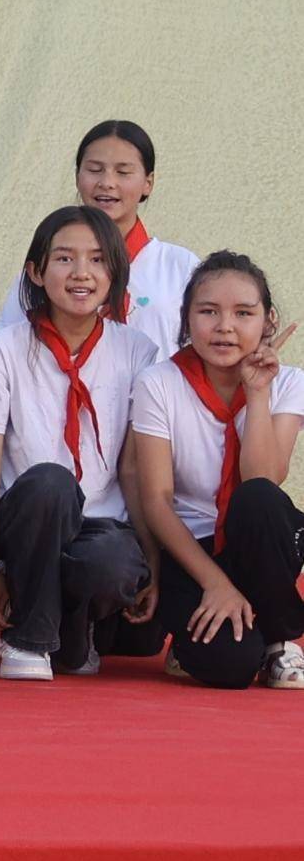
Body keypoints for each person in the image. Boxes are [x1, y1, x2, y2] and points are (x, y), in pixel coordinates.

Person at [0, 206, 158, 682]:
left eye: (97, 259)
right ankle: (27, 638)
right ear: (36, 271)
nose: (81, 273)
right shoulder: (4, 349)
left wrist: (151, 562)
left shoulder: (138, 351)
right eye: (65, 258)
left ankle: (73, 633)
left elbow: (133, 469)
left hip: (100, 525)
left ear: (115, 272)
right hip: (26, 521)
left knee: (111, 564)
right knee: (51, 482)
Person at [120, 252, 304, 689]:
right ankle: (200, 643)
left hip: (256, 542)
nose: (225, 326)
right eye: (208, 312)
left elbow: (264, 479)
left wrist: (257, 394)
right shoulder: (158, 383)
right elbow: (156, 500)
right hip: (190, 549)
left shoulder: (289, 382)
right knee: (231, 667)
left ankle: (279, 640)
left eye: (243, 313)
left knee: (258, 500)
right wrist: (215, 583)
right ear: (186, 319)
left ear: (269, 321)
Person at [0, 120, 195, 336]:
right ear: (77, 177)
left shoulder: (180, 266)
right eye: (94, 170)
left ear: (148, 182)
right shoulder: (48, 268)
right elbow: (7, 344)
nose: (107, 182)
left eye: (123, 172)